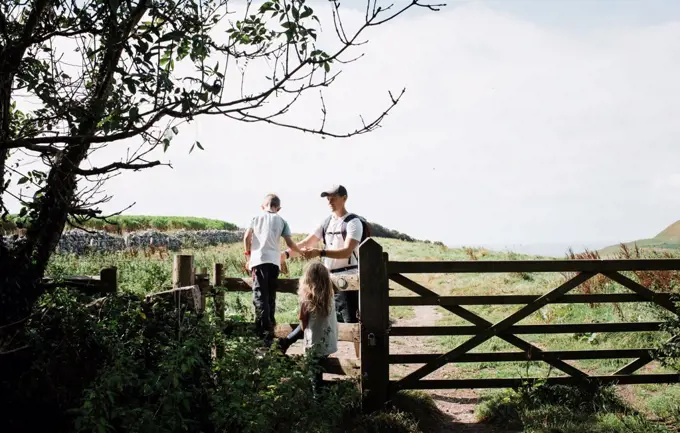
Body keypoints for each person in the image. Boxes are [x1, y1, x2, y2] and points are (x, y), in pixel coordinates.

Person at [277, 184, 368, 353]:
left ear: (344, 198)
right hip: (325, 279)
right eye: (327, 198)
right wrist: (286, 255)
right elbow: (306, 242)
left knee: (352, 322)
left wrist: (320, 251)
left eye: (333, 197)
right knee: (313, 316)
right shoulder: (326, 222)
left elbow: (347, 251)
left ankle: (360, 364)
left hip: (347, 278)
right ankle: (287, 343)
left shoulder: (353, 222)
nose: (329, 201)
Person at [244, 193, 304, 347]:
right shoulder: (282, 221)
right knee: (270, 296)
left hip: (258, 261)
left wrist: (248, 256)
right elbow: (290, 244)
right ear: (278, 208)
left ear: (262, 206)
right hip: (274, 263)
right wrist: (302, 251)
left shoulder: (256, 218)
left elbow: (246, 238)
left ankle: (263, 335)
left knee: (259, 296)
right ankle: (270, 331)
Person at [297, 261, 338, 390]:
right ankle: (322, 395)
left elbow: (302, 320)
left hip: (313, 342)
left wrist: (304, 328)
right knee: (319, 368)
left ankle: (316, 399)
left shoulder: (307, 298)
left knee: (314, 375)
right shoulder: (330, 298)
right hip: (329, 342)